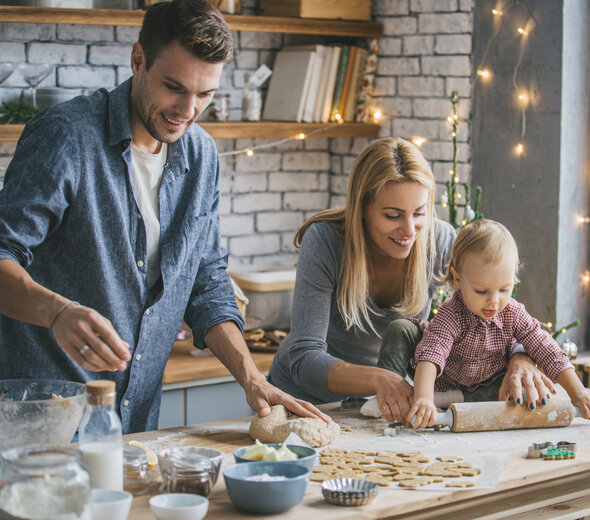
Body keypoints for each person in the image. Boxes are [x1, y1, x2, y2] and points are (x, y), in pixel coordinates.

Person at [0, 0, 328, 433]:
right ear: (138, 60)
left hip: (135, 421)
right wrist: (58, 312)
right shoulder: (66, 137)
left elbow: (206, 280)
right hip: (48, 418)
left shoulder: (202, 155)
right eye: (174, 87)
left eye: (205, 94)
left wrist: (252, 378)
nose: (187, 110)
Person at [269, 138, 555, 424]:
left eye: (419, 213)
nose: (409, 230)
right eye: (392, 215)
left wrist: (521, 358)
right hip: (302, 402)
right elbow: (304, 360)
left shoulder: (440, 241)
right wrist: (383, 379)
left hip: (383, 404)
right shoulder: (326, 241)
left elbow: (499, 312)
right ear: (362, 208)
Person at [407, 219, 590, 428]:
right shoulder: (452, 313)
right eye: (481, 291)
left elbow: (546, 348)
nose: (494, 301)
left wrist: (578, 392)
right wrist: (424, 398)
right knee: (405, 335)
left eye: (504, 289)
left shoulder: (512, 312)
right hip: (446, 385)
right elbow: (432, 353)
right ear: (457, 279)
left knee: (521, 392)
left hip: (492, 387)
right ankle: (436, 399)